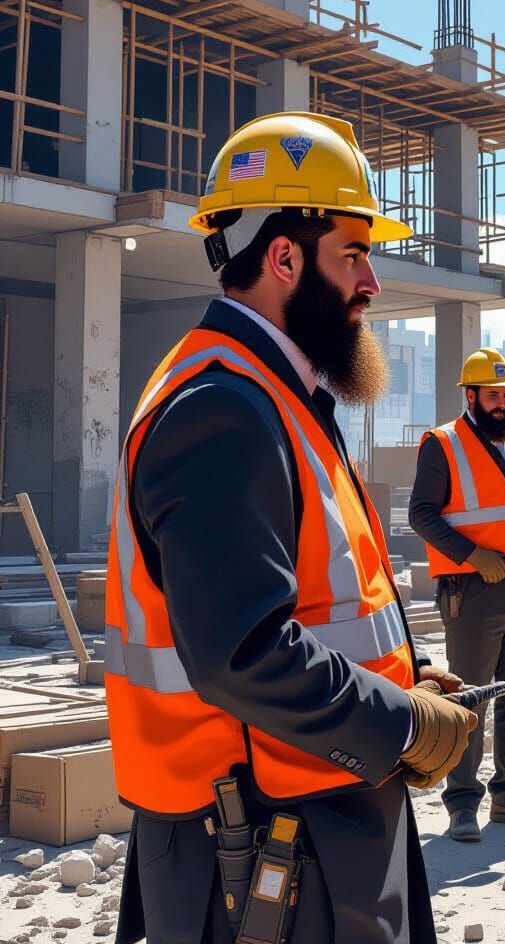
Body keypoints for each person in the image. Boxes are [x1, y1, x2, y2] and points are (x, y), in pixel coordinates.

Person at [107, 112, 477, 944]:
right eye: (354, 253)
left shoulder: (272, 394)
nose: (372, 282)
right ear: (283, 258)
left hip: (305, 821)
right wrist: (405, 725)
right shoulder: (222, 409)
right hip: (257, 855)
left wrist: (403, 686)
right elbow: (243, 653)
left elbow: (325, 602)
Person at [409, 348, 505, 844]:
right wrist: (474, 556)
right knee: (469, 700)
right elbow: (422, 514)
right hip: (473, 592)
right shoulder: (442, 444)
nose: (501, 403)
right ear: (470, 395)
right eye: (493, 395)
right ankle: (462, 804)